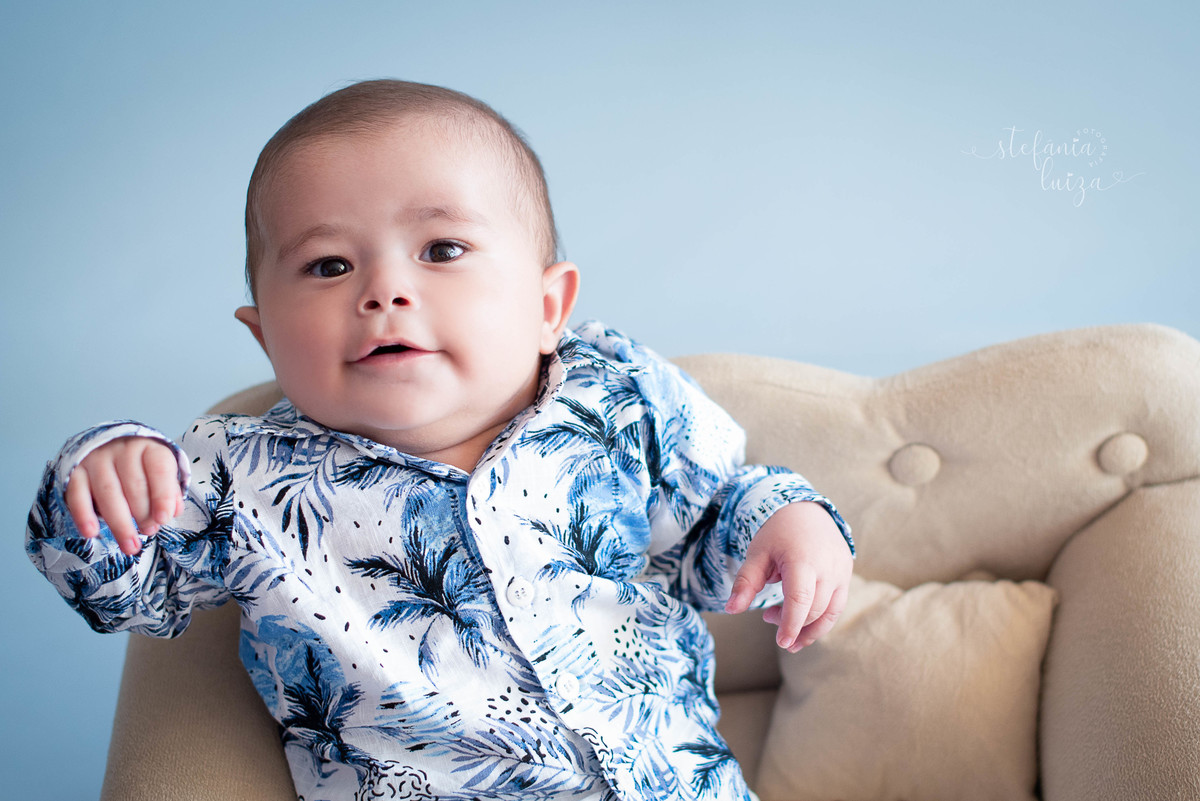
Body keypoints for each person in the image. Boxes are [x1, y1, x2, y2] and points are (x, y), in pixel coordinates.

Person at [27, 79, 854, 801]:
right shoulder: (235, 478)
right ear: (266, 337)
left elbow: (712, 516)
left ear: (547, 308)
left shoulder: (615, 394)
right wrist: (101, 479)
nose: (385, 289)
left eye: (442, 249)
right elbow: (119, 591)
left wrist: (787, 520)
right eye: (328, 265)